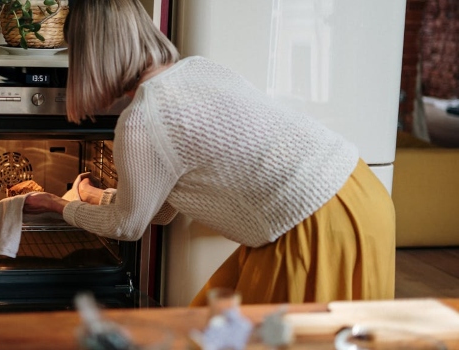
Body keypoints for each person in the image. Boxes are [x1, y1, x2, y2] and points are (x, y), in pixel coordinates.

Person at [23, 0, 395, 306]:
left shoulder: (140, 120)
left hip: (313, 227)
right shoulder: (200, 69)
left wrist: (59, 205)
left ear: (91, 54)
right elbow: (164, 209)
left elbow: (128, 227)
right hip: (361, 194)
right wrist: (92, 195)